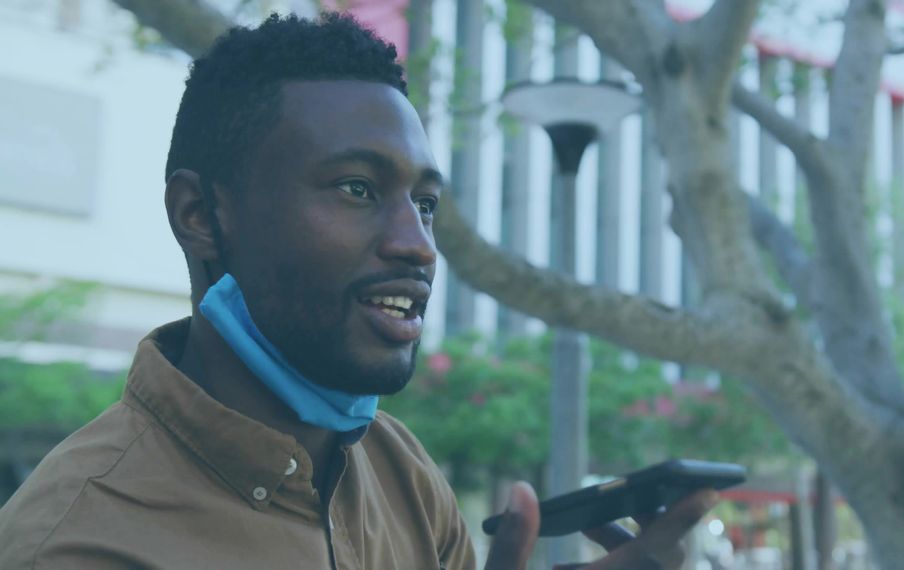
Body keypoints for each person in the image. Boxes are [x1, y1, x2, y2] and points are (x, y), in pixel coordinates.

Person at [0, 13, 720, 569]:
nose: (417, 243)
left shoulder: (401, 471)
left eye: (426, 203)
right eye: (357, 188)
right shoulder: (79, 540)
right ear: (201, 217)